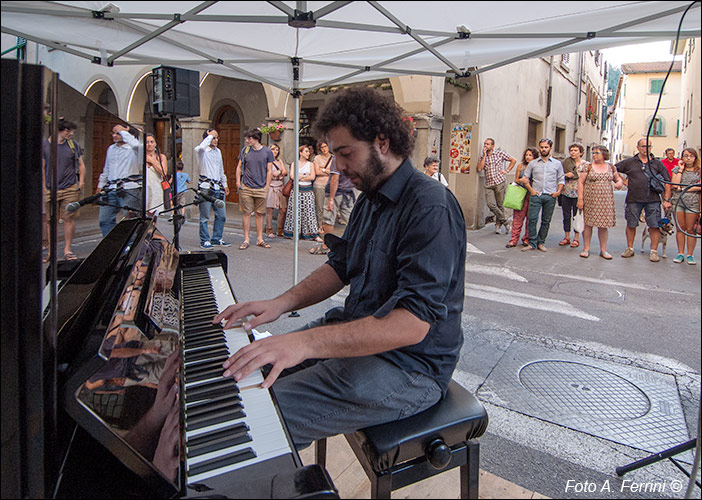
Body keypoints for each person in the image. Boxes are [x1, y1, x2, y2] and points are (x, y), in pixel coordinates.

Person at [213, 86, 466, 451]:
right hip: (359, 335)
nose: (338, 168)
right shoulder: (371, 198)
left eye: (346, 154)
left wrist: (302, 342)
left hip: (411, 368)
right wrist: (279, 304)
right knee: (240, 374)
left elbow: (412, 324)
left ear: (382, 142)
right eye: (334, 155)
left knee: (254, 418)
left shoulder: (430, 206)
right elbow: (341, 265)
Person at [616, 138, 672, 262]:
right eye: (643, 146)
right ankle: (630, 248)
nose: (646, 149)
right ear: (638, 147)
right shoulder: (630, 162)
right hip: (633, 198)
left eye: (649, 146)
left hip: (653, 199)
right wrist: (623, 181)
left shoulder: (657, 163)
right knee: (631, 224)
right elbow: (613, 169)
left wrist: (666, 199)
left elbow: (667, 181)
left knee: (654, 225)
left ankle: (654, 251)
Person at [42, 118, 85, 261]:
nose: (71, 133)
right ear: (59, 130)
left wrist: (81, 182)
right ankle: (51, 252)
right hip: (50, 188)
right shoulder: (45, 145)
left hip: (70, 187)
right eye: (68, 130)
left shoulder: (73, 145)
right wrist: (43, 186)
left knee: (68, 218)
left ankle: (67, 250)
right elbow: (42, 167)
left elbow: (81, 164)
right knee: (50, 221)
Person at [576, 145, 624, 259]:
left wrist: (619, 183)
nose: (594, 155)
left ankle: (603, 250)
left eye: (596, 153)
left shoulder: (611, 167)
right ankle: (586, 248)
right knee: (588, 224)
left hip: (605, 201)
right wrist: (580, 199)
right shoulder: (588, 167)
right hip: (590, 199)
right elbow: (580, 182)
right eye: (593, 153)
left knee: (603, 226)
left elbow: (617, 179)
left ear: (603, 155)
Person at [97, 124, 143, 237]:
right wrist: (100, 185)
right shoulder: (111, 148)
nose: (114, 135)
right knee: (104, 220)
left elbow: (137, 146)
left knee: (129, 221)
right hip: (111, 188)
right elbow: (106, 168)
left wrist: (124, 132)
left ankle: (129, 247)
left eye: (117, 133)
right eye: (113, 132)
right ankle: (110, 244)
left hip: (129, 189)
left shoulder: (134, 149)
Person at [520, 138, 565, 252]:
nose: (543, 149)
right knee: (532, 219)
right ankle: (532, 242)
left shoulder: (557, 164)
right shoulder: (533, 163)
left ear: (550, 148)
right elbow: (526, 179)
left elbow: (561, 179)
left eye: (546, 147)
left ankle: (541, 242)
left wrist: (558, 192)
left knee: (546, 220)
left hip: (550, 195)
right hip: (536, 195)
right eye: (542, 147)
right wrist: (531, 191)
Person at [309, 156, 356, 255]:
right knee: (350, 220)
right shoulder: (353, 156)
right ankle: (353, 247)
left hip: (337, 192)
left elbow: (335, 178)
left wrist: (331, 198)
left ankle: (326, 246)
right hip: (348, 192)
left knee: (328, 219)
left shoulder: (337, 158)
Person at [235, 129, 273, 249]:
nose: (247, 140)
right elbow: (239, 166)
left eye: (249, 138)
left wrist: (267, 186)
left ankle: (260, 239)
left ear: (255, 138)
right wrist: (237, 182)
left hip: (261, 187)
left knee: (259, 213)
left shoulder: (267, 152)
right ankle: (246, 239)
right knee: (247, 213)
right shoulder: (245, 150)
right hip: (246, 186)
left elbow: (269, 170)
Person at [195, 128, 230, 250]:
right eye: (213, 137)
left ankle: (217, 238)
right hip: (206, 187)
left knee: (221, 215)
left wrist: (224, 184)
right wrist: (209, 137)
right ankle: (204, 239)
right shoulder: (202, 151)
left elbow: (221, 169)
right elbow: (199, 148)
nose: (215, 140)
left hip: (217, 186)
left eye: (216, 137)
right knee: (204, 216)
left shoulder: (218, 151)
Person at [477, 138, 516, 234]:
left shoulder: (499, 153)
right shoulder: (483, 156)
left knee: (500, 204)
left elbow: (513, 160)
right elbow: (479, 168)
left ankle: (498, 225)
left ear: (492, 146)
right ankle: (506, 222)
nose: (485, 146)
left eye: (488, 144)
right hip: (489, 184)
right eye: (485, 144)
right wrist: (485, 155)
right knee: (491, 205)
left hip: (499, 182)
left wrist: (507, 171)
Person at [282, 145, 320, 241]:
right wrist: (304, 175)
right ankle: (294, 233)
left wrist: (299, 176)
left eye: (308, 151)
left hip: (307, 190)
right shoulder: (295, 163)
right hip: (296, 190)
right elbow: (292, 176)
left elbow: (312, 177)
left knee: (309, 213)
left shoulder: (310, 164)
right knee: (294, 212)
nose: (308, 153)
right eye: (306, 151)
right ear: (300, 152)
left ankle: (312, 234)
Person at [670, 148, 700, 265]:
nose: (688, 158)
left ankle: (690, 254)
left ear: (695, 158)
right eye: (686, 156)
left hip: (693, 203)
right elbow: (675, 184)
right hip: (678, 202)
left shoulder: (699, 171)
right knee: (680, 228)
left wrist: (685, 188)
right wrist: (681, 169)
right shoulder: (677, 169)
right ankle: (680, 253)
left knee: (690, 229)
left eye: (691, 156)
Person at [506, 147, 537, 248]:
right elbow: (516, 179)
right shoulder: (521, 166)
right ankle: (513, 239)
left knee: (530, 218)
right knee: (518, 218)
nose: (528, 157)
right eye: (527, 155)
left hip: (532, 194)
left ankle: (527, 239)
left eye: (530, 155)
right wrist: (521, 180)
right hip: (521, 193)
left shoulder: (537, 167)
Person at [559, 143, 585, 248]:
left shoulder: (585, 164)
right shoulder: (565, 162)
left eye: (575, 150)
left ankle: (576, 238)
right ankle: (567, 237)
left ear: (581, 152)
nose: (573, 152)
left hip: (579, 193)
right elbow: (559, 174)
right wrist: (565, 175)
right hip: (566, 191)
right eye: (571, 150)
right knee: (566, 215)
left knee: (577, 215)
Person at [265, 143, 288, 239]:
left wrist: (278, 172)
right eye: (273, 149)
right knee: (269, 209)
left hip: (279, 186)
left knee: (283, 209)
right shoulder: (265, 161)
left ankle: (280, 229)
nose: (275, 151)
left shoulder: (279, 161)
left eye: (276, 150)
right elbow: (267, 174)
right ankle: (269, 229)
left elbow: (285, 172)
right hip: (270, 186)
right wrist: (274, 174)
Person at [144, 133, 168, 215]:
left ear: (155, 143)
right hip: (144, 188)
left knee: (154, 214)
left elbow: (164, 173)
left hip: (156, 187)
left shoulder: (161, 157)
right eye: (147, 142)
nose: (149, 144)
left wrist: (152, 161)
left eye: (151, 142)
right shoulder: (141, 156)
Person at [313, 141, 333, 232]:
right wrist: (327, 170)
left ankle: (327, 225)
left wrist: (323, 169)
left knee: (329, 206)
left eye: (325, 146)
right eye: (322, 147)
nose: (324, 149)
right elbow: (316, 172)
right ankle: (319, 225)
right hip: (319, 185)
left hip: (330, 185)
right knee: (319, 206)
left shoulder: (333, 158)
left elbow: (334, 172)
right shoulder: (317, 158)